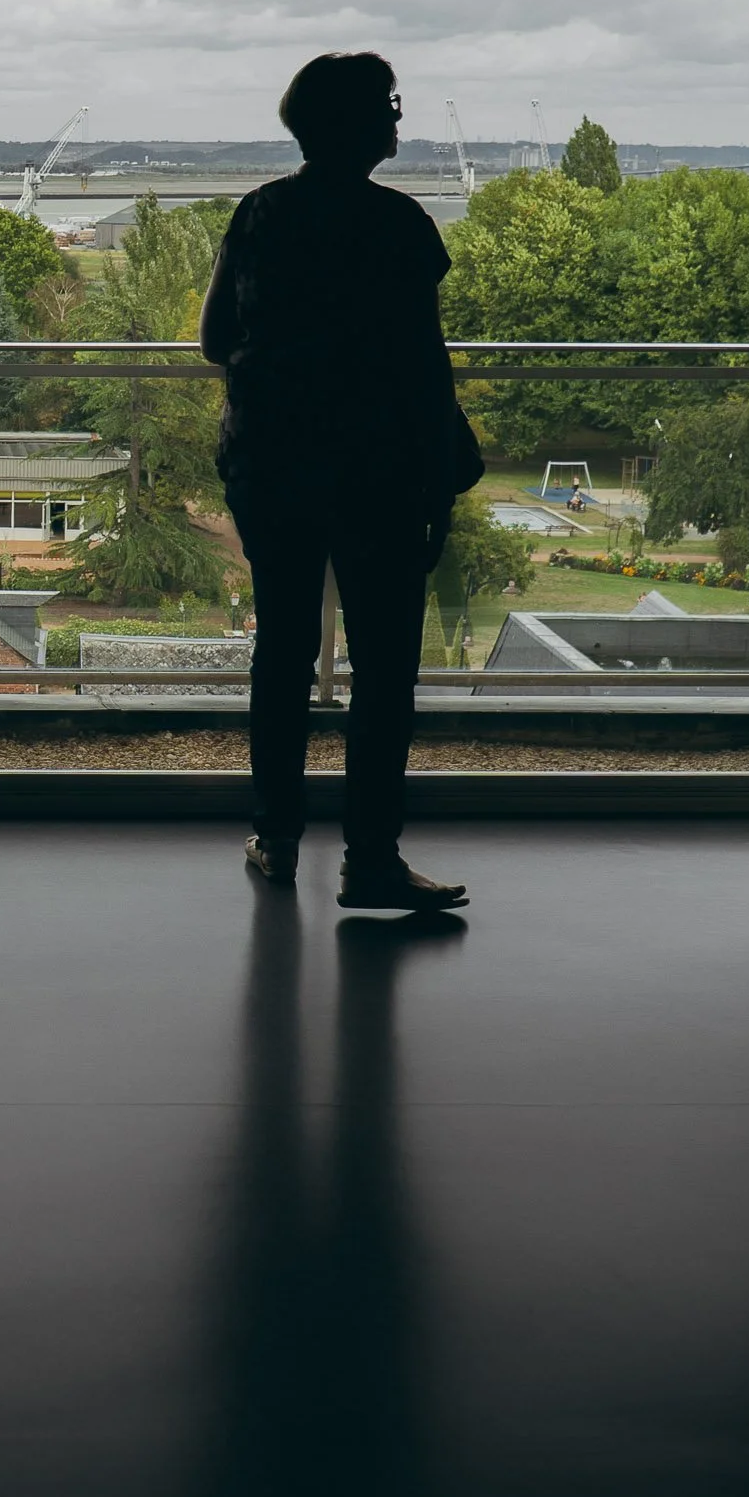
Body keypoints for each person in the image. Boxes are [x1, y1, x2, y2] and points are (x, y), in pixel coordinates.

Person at [200, 52, 478, 911]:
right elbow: (423, 368)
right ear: (362, 123)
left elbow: (216, 341)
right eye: (391, 106)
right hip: (380, 473)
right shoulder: (400, 227)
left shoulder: (261, 215)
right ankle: (372, 858)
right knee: (386, 666)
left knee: (282, 651)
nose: (401, 119)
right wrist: (443, 476)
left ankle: (278, 839)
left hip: (275, 464)